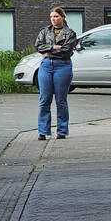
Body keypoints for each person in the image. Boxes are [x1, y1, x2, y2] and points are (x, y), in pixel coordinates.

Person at [34, 7, 78, 140]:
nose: (53, 19)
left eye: (56, 16)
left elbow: (66, 50)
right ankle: (43, 131)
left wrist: (47, 52)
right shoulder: (45, 31)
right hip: (46, 66)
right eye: (52, 16)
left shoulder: (70, 33)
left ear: (63, 17)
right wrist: (53, 47)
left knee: (61, 100)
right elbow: (38, 46)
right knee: (44, 99)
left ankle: (62, 131)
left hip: (62, 65)